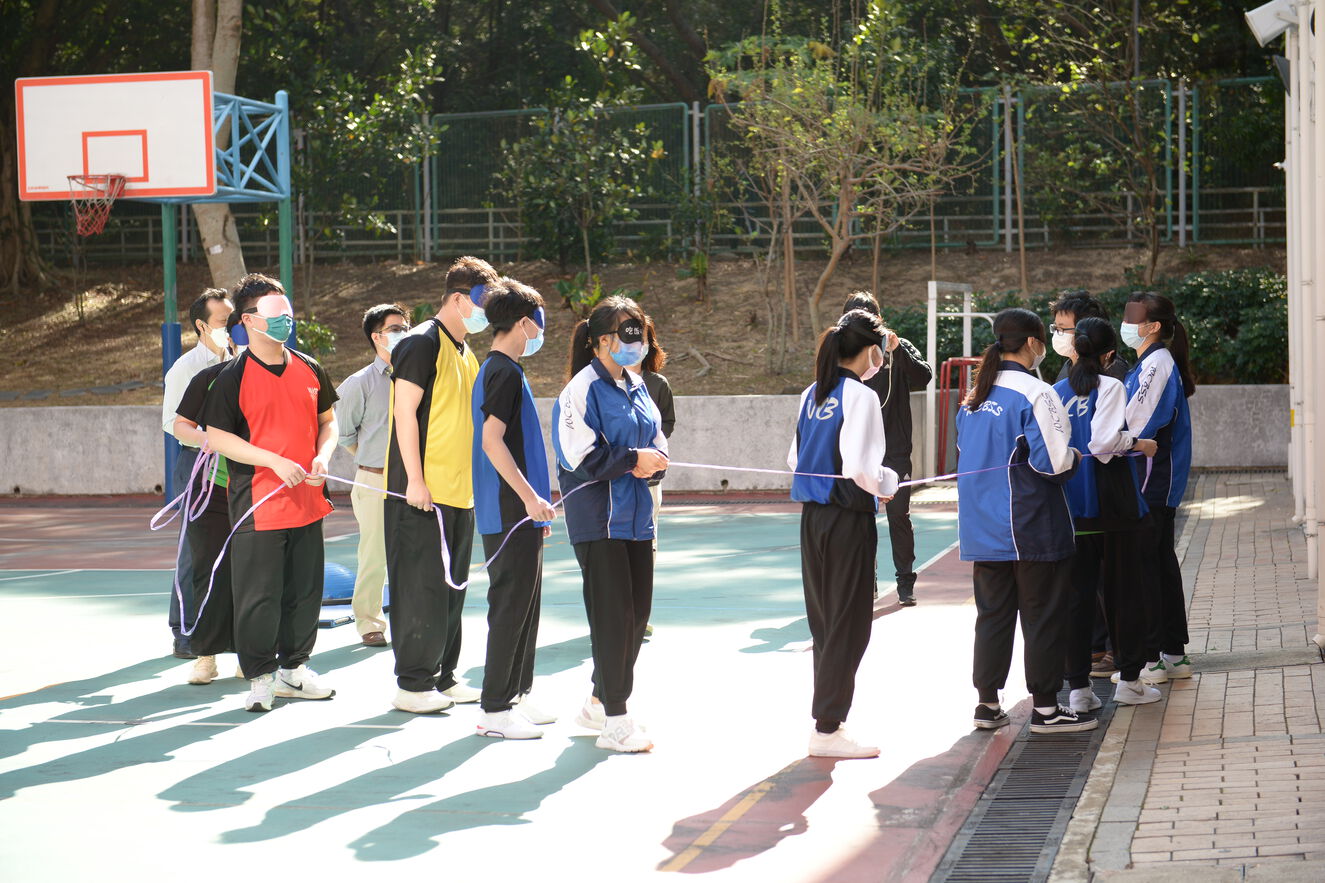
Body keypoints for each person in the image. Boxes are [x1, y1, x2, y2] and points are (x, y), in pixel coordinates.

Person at [204, 274, 339, 713]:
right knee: (258, 598)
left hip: (308, 504)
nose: (286, 318)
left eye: (288, 310)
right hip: (259, 506)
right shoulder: (232, 377)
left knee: (305, 594)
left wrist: (323, 457)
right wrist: (273, 461)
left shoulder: (310, 367)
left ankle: (293, 671)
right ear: (248, 320)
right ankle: (261, 677)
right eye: (275, 312)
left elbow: (328, 422)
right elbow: (218, 438)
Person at [956, 307, 1092, 735]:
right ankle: (1046, 710)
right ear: (1033, 343)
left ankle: (987, 704)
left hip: (982, 529)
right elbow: (1052, 462)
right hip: (1030, 526)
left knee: (992, 617)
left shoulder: (974, 398)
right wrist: (1075, 457)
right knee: (1042, 618)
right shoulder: (1037, 392)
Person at [553, 297, 668, 753]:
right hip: (599, 521)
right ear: (602, 340)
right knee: (613, 619)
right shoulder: (579, 390)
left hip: (638, 519)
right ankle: (616, 722)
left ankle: (599, 702)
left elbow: (656, 438)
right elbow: (578, 457)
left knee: (637, 616)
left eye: (640, 332)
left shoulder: (638, 385)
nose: (638, 342)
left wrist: (654, 461)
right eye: (628, 332)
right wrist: (633, 459)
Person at [385, 256, 496, 714]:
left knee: (452, 589)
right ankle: (413, 685)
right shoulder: (420, 343)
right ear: (457, 299)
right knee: (420, 590)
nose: (487, 313)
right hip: (421, 495)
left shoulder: (466, 352)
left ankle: (443, 677)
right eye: (483, 303)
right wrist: (414, 480)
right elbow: (404, 412)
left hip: (459, 492)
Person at [788, 309, 899, 759]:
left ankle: (828, 722)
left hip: (813, 519)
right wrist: (887, 482)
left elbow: (794, 458)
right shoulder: (861, 396)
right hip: (847, 518)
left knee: (825, 621)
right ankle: (828, 727)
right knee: (848, 624)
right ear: (871, 350)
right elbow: (859, 467)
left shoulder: (812, 392)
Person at [1052, 317, 1163, 710]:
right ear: (1109, 354)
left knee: (1077, 599)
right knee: (1124, 594)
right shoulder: (1111, 385)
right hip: (1112, 505)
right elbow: (1103, 444)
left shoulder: (1056, 391)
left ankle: (1079, 691)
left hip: (1071, 504)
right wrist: (1140, 443)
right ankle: (1129, 682)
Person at [471, 278, 558, 740]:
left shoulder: (504, 369)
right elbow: (492, 441)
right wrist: (528, 497)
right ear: (524, 323)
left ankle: (518, 694)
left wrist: (533, 505)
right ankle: (495, 710)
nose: (541, 330)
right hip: (509, 510)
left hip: (519, 512)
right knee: (509, 607)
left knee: (525, 606)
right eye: (538, 321)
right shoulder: (502, 371)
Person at [1049, 290, 1127, 677]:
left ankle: (1106, 654)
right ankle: (1099, 652)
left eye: (1065, 329)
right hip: (1080, 496)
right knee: (1087, 585)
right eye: (1056, 328)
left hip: (1096, 495)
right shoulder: (1064, 379)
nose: (1059, 336)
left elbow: (1101, 440)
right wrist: (1135, 443)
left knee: (1100, 584)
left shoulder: (1113, 376)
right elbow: (1106, 443)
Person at [1122, 291, 1196, 684]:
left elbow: (1136, 422)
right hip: (1153, 479)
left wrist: (1109, 437)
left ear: (1152, 326)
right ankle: (1173, 655)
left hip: (1153, 479)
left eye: (1132, 317)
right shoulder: (1150, 362)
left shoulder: (1157, 364)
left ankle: (1152, 659)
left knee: (1147, 567)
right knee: (1160, 565)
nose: (1125, 323)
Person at [842, 291, 932, 606]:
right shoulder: (843, 355)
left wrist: (897, 350)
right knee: (861, 518)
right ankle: (867, 581)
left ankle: (905, 581)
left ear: (879, 320)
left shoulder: (897, 346)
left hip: (895, 449)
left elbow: (923, 377)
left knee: (898, 515)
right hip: (858, 448)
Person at [170, 308, 245, 686]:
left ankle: (250, 654)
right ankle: (206, 655)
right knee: (207, 570)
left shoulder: (285, 377)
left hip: (259, 491)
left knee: (253, 576)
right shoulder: (209, 377)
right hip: (212, 488)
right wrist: (208, 439)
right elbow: (180, 425)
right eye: (239, 332)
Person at [161, 288, 233, 658]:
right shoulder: (185, 368)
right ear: (202, 326)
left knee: (234, 548)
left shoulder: (242, 361)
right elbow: (171, 423)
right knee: (195, 550)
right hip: (198, 465)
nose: (231, 327)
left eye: (234, 320)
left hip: (236, 464)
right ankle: (185, 631)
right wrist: (212, 439)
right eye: (224, 322)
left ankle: (226, 631)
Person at [335, 303, 410, 648]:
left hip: (416, 480)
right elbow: (344, 434)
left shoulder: (419, 376)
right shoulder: (358, 383)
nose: (403, 333)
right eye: (395, 328)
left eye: (406, 327)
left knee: (415, 553)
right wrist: (374, 463)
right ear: (376, 337)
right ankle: (369, 622)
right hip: (374, 480)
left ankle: (412, 617)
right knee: (375, 555)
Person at [626, 315, 674, 638]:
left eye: (640, 339)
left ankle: (639, 614)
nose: (634, 345)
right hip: (615, 480)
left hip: (650, 482)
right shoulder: (602, 383)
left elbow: (667, 423)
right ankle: (614, 613)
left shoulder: (657, 384)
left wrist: (650, 451)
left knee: (648, 545)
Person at [1050, 290, 1130, 383]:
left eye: (1061, 329)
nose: (1057, 334)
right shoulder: (1070, 365)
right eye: (1055, 328)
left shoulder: (1112, 368)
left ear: (1086, 328)